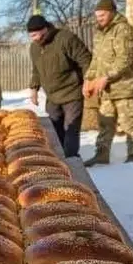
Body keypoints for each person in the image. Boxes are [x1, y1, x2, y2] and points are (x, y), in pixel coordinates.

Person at [83, 0, 133, 166]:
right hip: (106, 89)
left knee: (129, 123)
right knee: (105, 123)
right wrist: (89, 79)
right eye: (97, 16)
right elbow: (96, 60)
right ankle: (101, 155)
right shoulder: (100, 33)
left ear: (112, 12)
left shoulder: (124, 30)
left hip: (124, 88)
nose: (98, 19)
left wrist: (106, 77)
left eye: (102, 15)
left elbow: (125, 59)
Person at [27, 14, 92, 158]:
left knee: (71, 129)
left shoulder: (65, 38)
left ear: (45, 29)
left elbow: (86, 59)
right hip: (52, 96)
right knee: (54, 130)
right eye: (31, 36)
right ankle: (58, 160)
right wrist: (34, 88)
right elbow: (36, 69)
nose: (35, 39)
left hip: (71, 92)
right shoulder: (34, 48)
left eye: (36, 34)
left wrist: (88, 80)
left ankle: (71, 161)